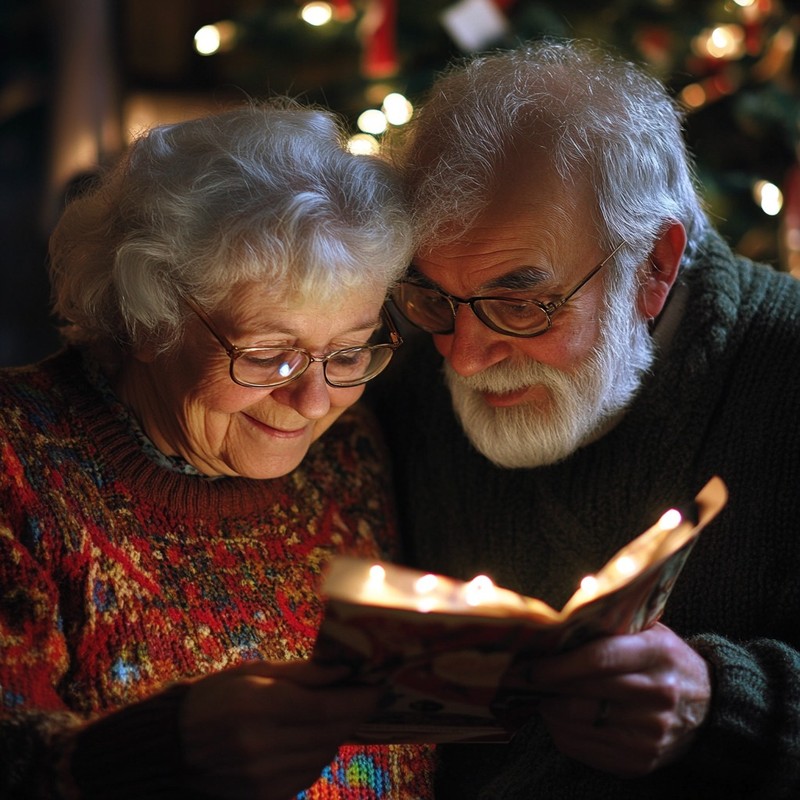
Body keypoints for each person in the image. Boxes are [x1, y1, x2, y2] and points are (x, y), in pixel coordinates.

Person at [373, 38, 800, 798]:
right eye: (435, 298)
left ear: (655, 265)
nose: (464, 359)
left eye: (520, 302)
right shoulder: (404, 381)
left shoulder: (786, 371)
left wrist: (722, 705)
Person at [0, 101, 435, 799]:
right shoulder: (18, 458)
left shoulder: (347, 452)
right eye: (269, 355)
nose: (316, 402)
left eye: (349, 352)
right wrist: (167, 746)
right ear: (150, 317)